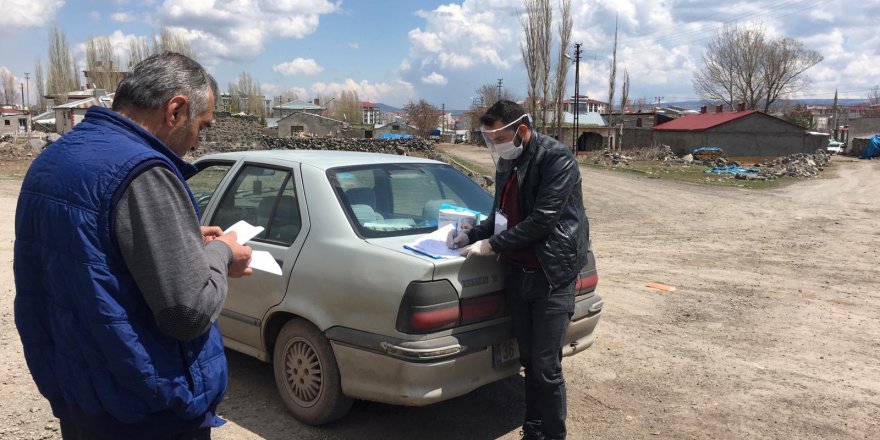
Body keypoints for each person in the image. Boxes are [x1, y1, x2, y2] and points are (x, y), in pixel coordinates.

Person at [14, 53, 253, 440]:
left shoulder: (56, 158)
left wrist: (185, 237)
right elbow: (186, 312)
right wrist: (223, 253)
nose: (198, 142)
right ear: (175, 110)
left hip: (81, 393)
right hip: (142, 410)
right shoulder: (145, 172)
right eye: (202, 126)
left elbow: (96, 254)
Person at [449, 100, 590, 440]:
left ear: (521, 131)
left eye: (497, 137)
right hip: (518, 275)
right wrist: (472, 234)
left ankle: (553, 436)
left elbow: (543, 219)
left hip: (550, 274)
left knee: (546, 367)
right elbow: (500, 215)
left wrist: (493, 245)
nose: (494, 145)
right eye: (489, 138)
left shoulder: (556, 158)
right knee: (529, 361)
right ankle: (534, 430)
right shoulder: (508, 163)